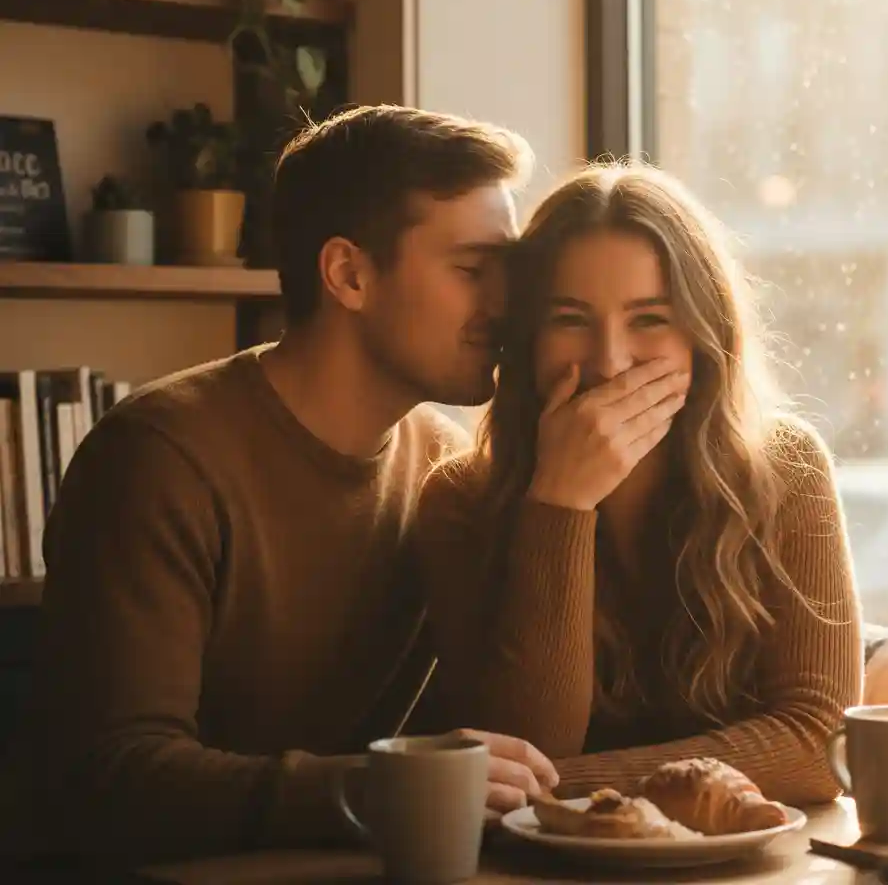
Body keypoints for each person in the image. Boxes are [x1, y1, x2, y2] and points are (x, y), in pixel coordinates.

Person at [0, 105, 559, 865]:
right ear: (349, 274)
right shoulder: (158, 457)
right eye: (471, 270)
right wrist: (374, 788)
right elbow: (111, 775)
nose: (505, 304)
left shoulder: (442, 459)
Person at [411, 161, 864, 805]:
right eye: (570, 319)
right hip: (549, 856)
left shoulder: (786, 469)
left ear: (704, 334)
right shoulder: (461, 500)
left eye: (649, 319)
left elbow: (820, 744)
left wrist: (570, 787)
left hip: (750, 851)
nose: (610, 361)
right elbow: (531, 741)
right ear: (526, 338)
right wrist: (561, 502)